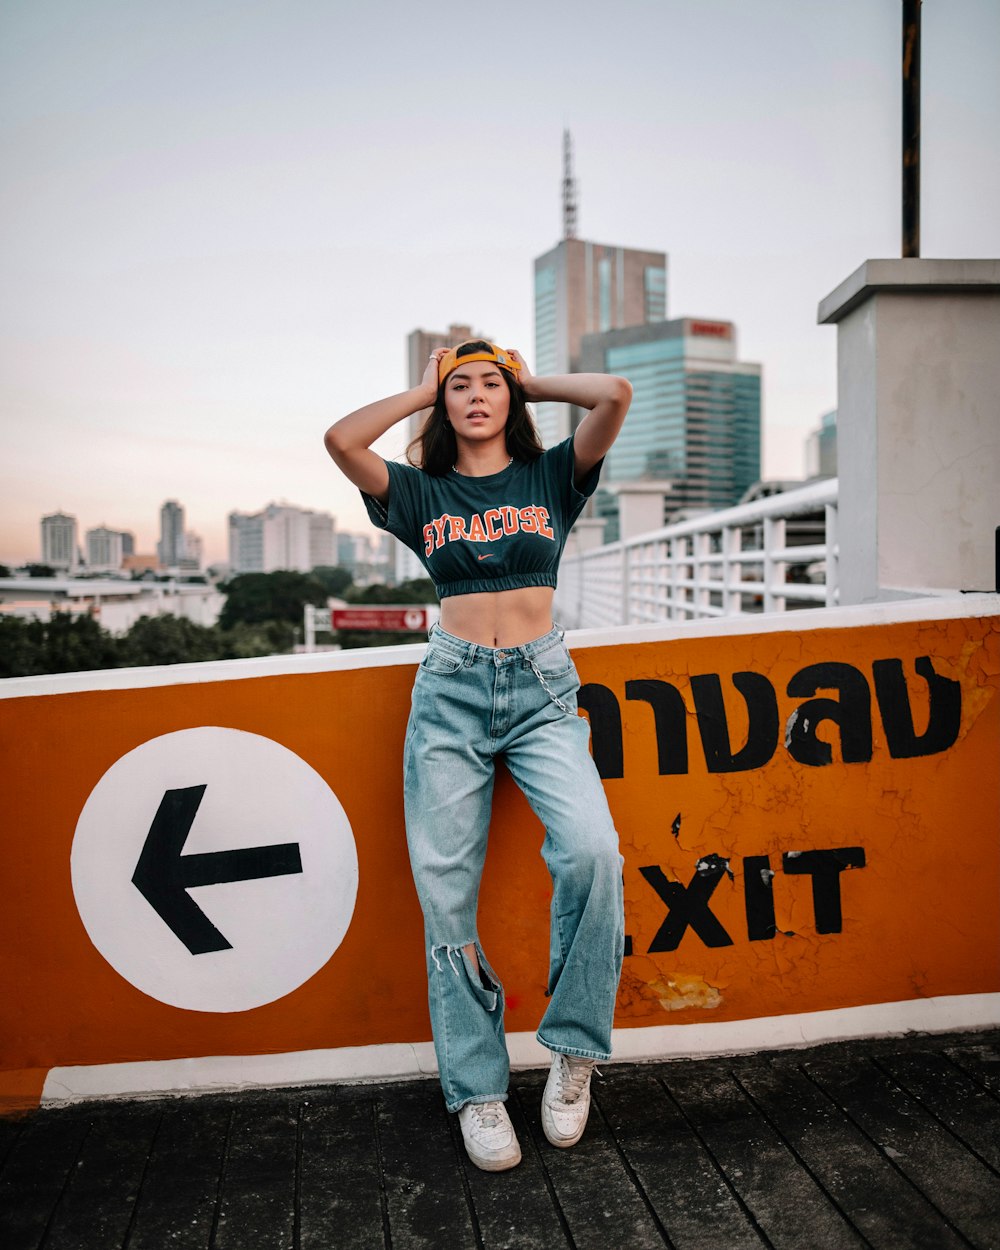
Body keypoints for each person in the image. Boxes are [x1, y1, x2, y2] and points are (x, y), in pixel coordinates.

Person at [324, 340, 632, 1171]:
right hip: (453, 693)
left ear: (513, 397)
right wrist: (419, 391)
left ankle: (574, 1055)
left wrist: (529, 376)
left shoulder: (552, 477)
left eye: (489, 382)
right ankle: (479, 1089)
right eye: (460, 385)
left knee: (594, 854)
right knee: (445, 895)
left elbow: (613, 393)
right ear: (443, 404)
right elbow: (343, 442)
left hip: (542, 691)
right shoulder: (421, 492)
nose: (476, 395)